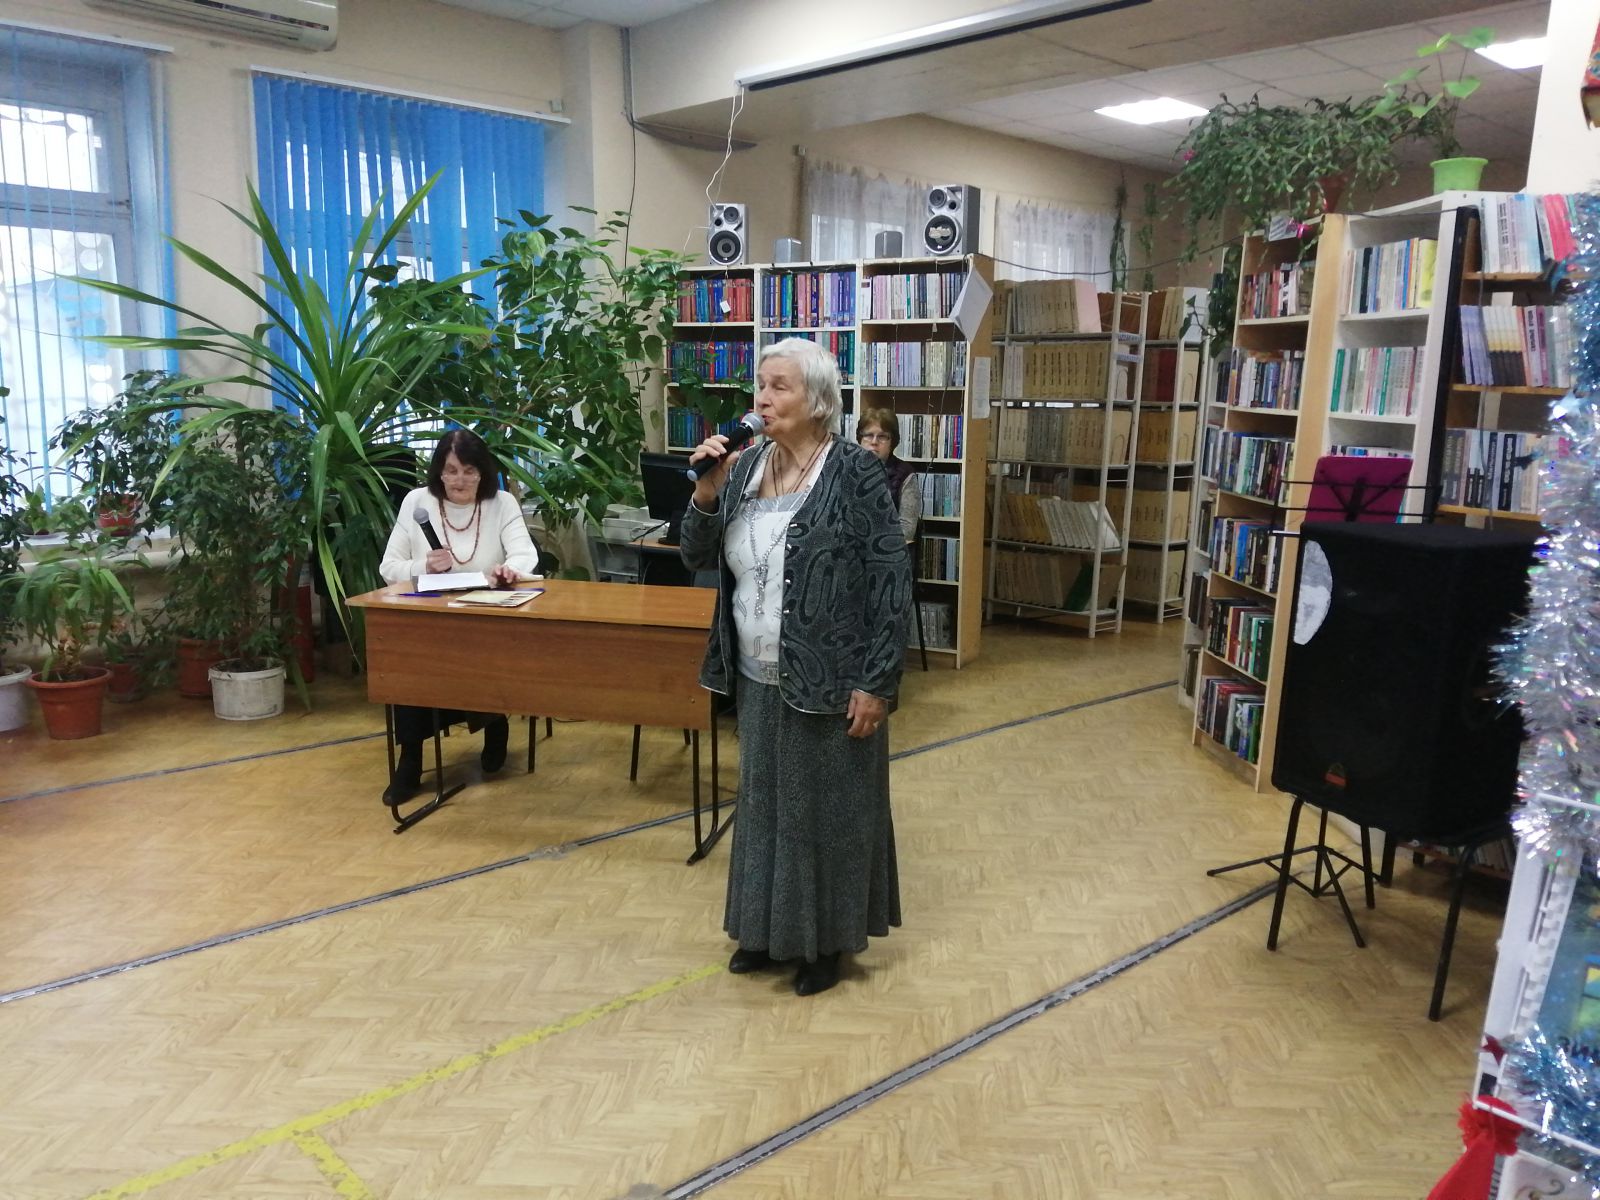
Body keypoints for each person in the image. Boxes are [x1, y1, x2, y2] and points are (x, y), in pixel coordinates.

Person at [680, 337, 910, 997]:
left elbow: (891, 581)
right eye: (761, 384)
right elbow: (694, 554)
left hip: (833, 678)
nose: (763, 398)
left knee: (828, 814)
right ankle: (763, 932)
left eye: (779, 386)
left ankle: (824, 944)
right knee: (764, 808)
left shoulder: (854, 471)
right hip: (757, 674)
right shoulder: (745, 466)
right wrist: (706, 489)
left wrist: (877, 682)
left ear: (818, 401)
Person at [377, 429, 539, 804]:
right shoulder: (417, 501)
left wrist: (508, 571)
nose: (460, 480)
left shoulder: (501, 503)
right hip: (428, 618)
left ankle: (494, 723)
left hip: (484, 615)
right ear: (439, 472)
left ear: (483, 472)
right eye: (451, 471)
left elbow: (525, 555)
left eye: (469, 471)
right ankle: (410, 760)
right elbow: (389, 567)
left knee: (480, 652)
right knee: (408, 661)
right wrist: (423, 566)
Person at [856, 408, 921, 544]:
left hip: (888, 551)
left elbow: (907, 530)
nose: (874, 442)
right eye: (868, 435)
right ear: (860, 439)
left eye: (882, 436)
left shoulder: (906, 474)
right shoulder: (847, 469)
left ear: (892, 442)